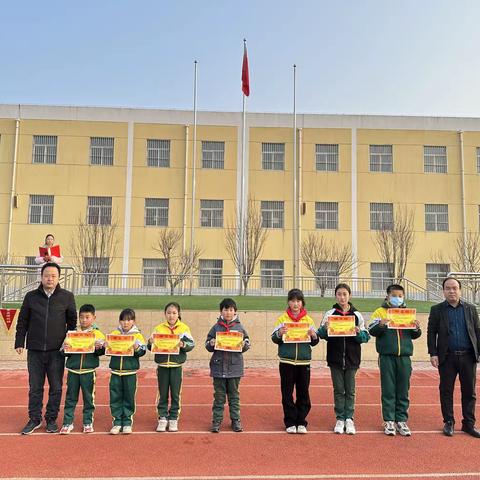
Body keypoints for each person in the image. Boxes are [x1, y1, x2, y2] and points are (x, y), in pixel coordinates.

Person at [14, 262, 77, 435]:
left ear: (58, 278)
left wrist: (69, 342)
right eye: (47, 275)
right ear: (41, 277)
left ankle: (51, 419)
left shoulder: (67, 297)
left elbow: (72, 323)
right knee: (35, 387)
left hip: (56, 351)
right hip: (34, 350)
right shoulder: (31, 297)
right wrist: (20, 341)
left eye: (53, 276)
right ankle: (34, 419)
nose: (50, 278)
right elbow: (22, 321)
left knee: (56, 387)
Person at [427, 277, 480, 438]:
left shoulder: (471, 308)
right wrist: (433, 353)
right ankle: (449, 421)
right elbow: (431, 333)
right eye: (448, 288)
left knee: (469, 391)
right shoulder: (437, 310)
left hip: (468, 356)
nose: (451, 291)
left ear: (460, 290)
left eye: (455, 288)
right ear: (443, 291)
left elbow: (477, 331)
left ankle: (469, 423)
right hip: (446, 357)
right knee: (446, 390)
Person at [368, 284, 422, 436]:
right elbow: (372, 330)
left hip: (404, 357)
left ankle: (401, 420)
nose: (397, 298)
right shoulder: (380, 311)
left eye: (400, 296)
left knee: (403, 389)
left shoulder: (407, 313)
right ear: (387, 296)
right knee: (388, 389)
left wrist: (416, 328)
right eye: (394, 295)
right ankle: (389, 420)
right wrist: (381, 325)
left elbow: (415, 335)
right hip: (387, 357)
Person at [318, 283, 369, 435]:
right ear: (335, 296)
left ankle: (349, 419)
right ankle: (340, 418)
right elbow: (321, 334)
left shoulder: (357, 315)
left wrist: (359, 332)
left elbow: (366, 337)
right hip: (335, 359)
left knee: (350, 391)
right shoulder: (330, 314)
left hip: (352, 359)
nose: (342, 297)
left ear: (349, 296)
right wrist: (325, 328)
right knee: (339, 390)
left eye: (344, 294)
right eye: (339, 294)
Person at [271, 288, 319, 434]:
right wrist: (279, 333)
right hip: (286, 361)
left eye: (298, 301)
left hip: (304, 362)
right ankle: (290, 421)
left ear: (302, 303)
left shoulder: (308, 320)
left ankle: (301, 421)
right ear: (288, 302)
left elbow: (314, 342)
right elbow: (274, 338)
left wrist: (313, 335)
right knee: (287, 392)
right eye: (292, 301)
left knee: (303, 392)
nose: (295, 304)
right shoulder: (282, 319)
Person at [148, 302, 195, 432]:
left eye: (174, 313)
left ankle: (173, 418)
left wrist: (183, 344)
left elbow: (191, 344)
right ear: (165, 314)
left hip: (176, 366)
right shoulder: (159, 328)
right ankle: (162, 417)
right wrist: (150, 342)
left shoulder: (184, 328)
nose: (171, 315)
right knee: (162, 393)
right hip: (162, 365)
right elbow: (150, 345)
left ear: (178, 314)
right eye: (168, 313)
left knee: (175, 393)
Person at [205, 298, 250, 433]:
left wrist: (244, 345)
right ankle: (216, 421)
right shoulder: (215, 327)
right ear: (221, 311)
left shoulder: (240, 327)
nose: (228, 312)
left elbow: (247, 342)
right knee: (219, 397)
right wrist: (211, 343)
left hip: (234, 368)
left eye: (231, 310)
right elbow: (207, 344)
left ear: (235, 311)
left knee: (234, 396)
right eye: (225, 309)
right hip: (218, 368)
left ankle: (235, 420)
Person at [60, 304, 105, 434]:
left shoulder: (98, 334)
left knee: (89, 399)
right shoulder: (72, 333)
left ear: (94, 317)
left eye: (87, 317)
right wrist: (65, 348)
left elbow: (102, 352)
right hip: (73, 371)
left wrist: (99, 348)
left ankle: (88, 422)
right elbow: (64, 353)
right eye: (81, 317)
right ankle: (67, 423)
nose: (84, 320)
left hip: (89, 372)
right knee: (70, 398)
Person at [106, 308, 146, 435]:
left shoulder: (137, 335)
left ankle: (127, 422)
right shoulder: (114, 334)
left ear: (133, 321)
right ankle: (117, 422)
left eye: (129, 320)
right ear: (119, 321)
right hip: (116, 372)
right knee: (115, 397)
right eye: (123, 320)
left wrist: (137, 347)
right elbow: (108, 351)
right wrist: (107, 346)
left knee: (129, 397)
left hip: (130, 372)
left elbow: (143, 351)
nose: (125, 323)